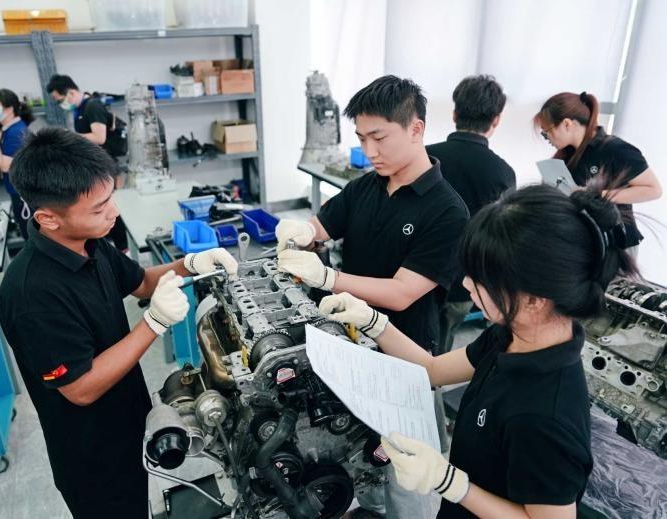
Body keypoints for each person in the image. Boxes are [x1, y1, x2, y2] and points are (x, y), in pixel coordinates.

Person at [317, 184, 637, 519]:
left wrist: (452, 483)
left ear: (533, 300)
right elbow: (432, 370)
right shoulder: (512, 335)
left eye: (482, 279)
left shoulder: (545, 417)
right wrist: (375, 323)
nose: (466, 283)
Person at [0, 127, 237, 518]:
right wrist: (154, 322)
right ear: (48, 218)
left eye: (111, 198)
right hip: (92, 455)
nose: (113, 213)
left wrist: (192, 264)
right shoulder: (32, 295)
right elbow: (81, 388)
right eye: (98, 208)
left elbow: (141, 282)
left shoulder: (89, 243)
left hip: (125, 424)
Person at [276, 75, 469, 518]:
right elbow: (324, 226)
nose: (370, 150)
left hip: (404, 355)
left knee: (407, 472)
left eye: (379, 138)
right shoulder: (366, 186)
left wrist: (329, 277)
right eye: (362, 139)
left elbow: (402, 293)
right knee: (359, 453)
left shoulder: (447, 210)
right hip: (349, 344)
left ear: (416, 129)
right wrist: (304, 231)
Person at [426, 75, 516, 357]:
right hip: (463, 280)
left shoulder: (424, 157)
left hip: (414, 271)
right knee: (440, 348)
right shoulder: (503, 173)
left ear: (454, 114)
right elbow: (501, 236)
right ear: (496, 120)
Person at [534, 91, 662, 253]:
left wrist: (596, 195)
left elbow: (653, 190)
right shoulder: (567, 155)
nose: (547, 138)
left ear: (567, 124)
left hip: (615, 244)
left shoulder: (615, 149)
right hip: (584, 242)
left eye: (547, 132)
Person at [46, 74, 130, 252]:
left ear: (70, 92)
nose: (60, 104)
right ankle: (110, 249)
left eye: (60, 100)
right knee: (98, 208)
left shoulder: (92, 106)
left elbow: (99, 137)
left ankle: (123, 249)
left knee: (107, 208)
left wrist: (69, 137)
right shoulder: (80, 109)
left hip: (105, 165)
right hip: (94, 166)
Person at [0, 88, 34, 238]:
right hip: (18, 191)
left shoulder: (16, 133)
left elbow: (5, 166)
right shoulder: (9, 129)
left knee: (30, 235)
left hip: (24, 195)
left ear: (9, 109)